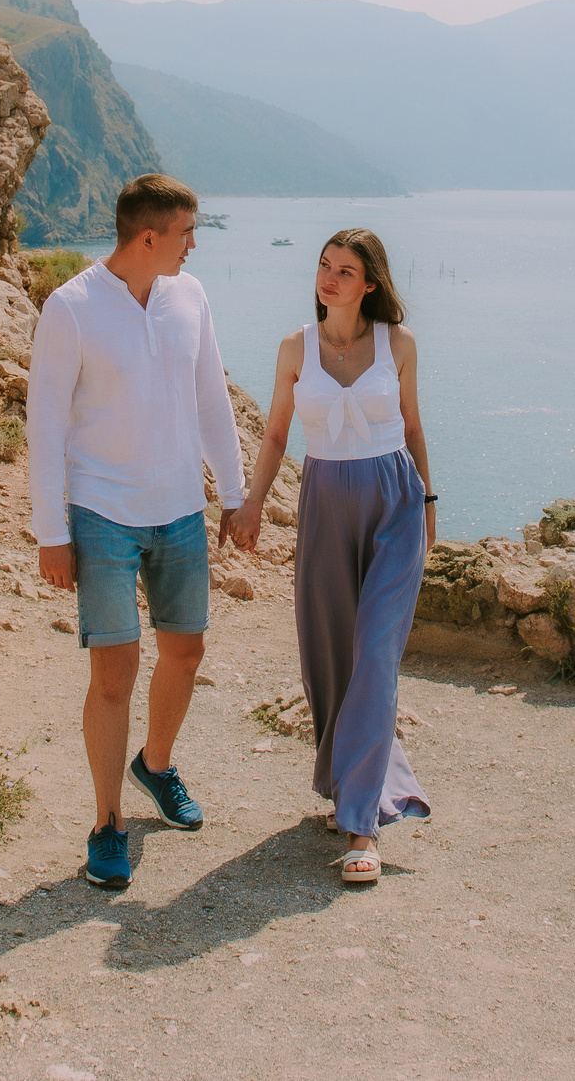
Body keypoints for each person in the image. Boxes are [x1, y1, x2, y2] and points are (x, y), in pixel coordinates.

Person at [29, 173, 249, 892]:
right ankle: (107, 822)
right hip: (102, 513)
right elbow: (46, 427)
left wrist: (236, 492)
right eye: (188, 232)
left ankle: (154, 764)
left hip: (181, 506)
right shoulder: (71, 308)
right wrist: (49, 531)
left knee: (186, 652)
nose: (195, 244)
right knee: (113, 673)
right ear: (149, 237)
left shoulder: (190, 296)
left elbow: (211, 396)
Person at [230, 228, 433, 885]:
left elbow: (413, 424)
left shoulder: (397, 344)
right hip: (323, 500)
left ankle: (361, 825)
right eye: (325, 265)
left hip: (393, 504)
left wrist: (428, 501)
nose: (330, 278)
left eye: (346, 270)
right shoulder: (296, 347)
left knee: (375, 654)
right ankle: (354, 779)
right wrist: (254, 502)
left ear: (370, 282)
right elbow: (279, 432)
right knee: (330, 657)